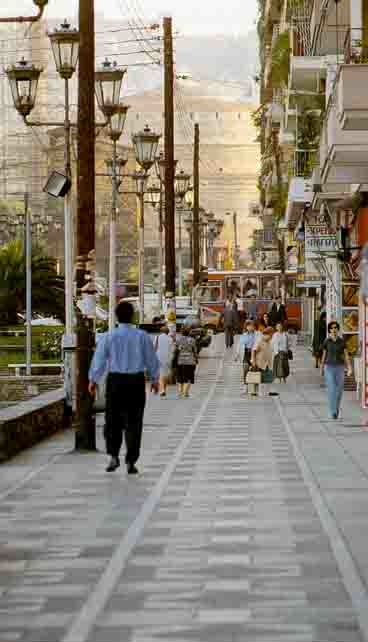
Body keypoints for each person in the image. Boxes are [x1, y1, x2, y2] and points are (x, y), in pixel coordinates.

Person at [88, 300, 160, 474]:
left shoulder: (109, 336)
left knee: (112, 420)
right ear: (132, 316)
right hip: (135, 382)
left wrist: (93, 380)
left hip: (116, 382)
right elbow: (150, 359)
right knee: (134, 422)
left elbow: (99, 360)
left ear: (117, 316)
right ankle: (131, 461)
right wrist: (154, 378)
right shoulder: (142, 336)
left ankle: (113, 456)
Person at [320, 321, 352, 419]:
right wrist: (321, 368)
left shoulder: (342, 341)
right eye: (332, 328)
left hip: (340, 367)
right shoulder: (327, 341)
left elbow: (346, 356)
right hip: (328, 367)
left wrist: (349, 367)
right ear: (329, 330)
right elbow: (324, 355)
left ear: (338, 329)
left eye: (335, 328)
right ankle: (333, 411)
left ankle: (336, 408)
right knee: (332, 389)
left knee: (339, 391)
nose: (334, 329)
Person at [175, 325, 198, 398]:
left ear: (181, 332)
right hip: (190, 361)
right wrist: (196, 358)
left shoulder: (178, 340)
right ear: (189, 332)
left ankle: (180, 391)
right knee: (189, 377)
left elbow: (175, 350)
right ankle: (185, 392)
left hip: (180, 361)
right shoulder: (192, 340)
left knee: (180, 377)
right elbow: (195, 351)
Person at [251, 327, 274, 396]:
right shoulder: (260, 341)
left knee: (268, 377)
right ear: (267, 334)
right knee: (258, 378)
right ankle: (256, 391)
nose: (271, 337)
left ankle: (266, 391)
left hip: (267, 363)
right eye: (271, 335)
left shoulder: (269, 342)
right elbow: (254, 351)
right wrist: (253, 362)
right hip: (260, 363)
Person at [235, 320, 257, 386]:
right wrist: (237, 355)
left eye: (251, 326)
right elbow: (239, 345)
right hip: (246, 353)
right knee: (245, 368)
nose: (250, 327)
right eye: (248, 326)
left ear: (254, 327)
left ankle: (254, 381)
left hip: (254, 353)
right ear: (246, 327)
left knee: (254, 368)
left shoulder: (256, 334)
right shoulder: (244, 335)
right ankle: (246, 381)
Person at [155, 325, 174, 397]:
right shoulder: (170, 339)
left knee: (160, 374)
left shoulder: (157, 337)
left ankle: (162, 390)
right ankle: (163, 389)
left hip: (159, 357)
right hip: (168, 358)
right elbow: (172, 350)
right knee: (165, 374)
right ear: (168, 332)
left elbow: (154, 347)